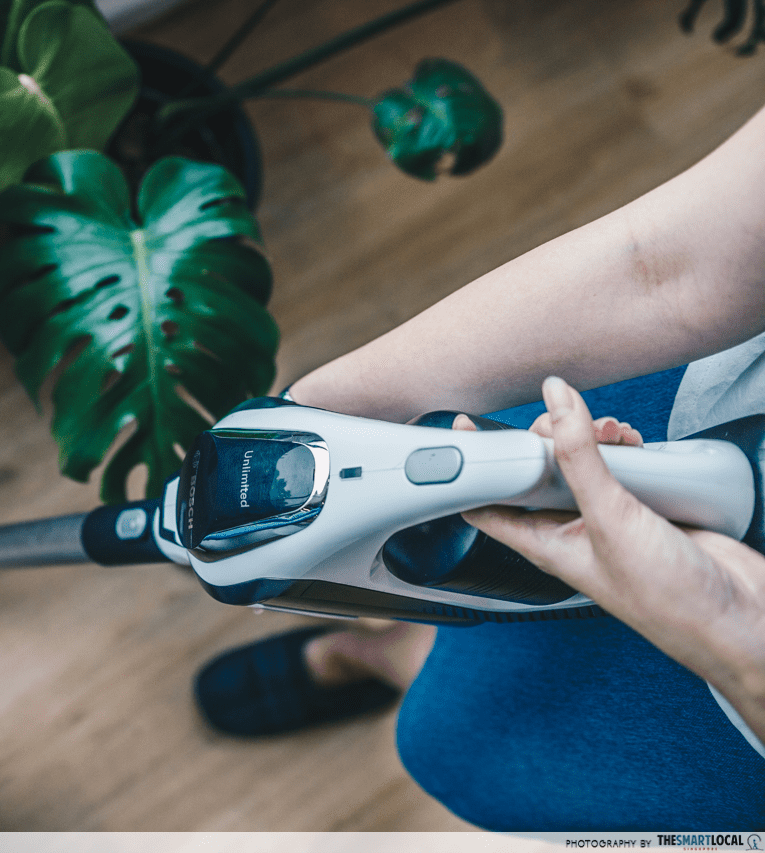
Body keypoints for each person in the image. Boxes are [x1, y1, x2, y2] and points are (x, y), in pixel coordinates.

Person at [195, 102, 765, 828]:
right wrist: (315, 411)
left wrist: (733, 639)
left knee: (447, 740)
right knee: (475, 500)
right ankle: (411, 627)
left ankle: (393, 653)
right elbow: (662, 268)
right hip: (713, 412)